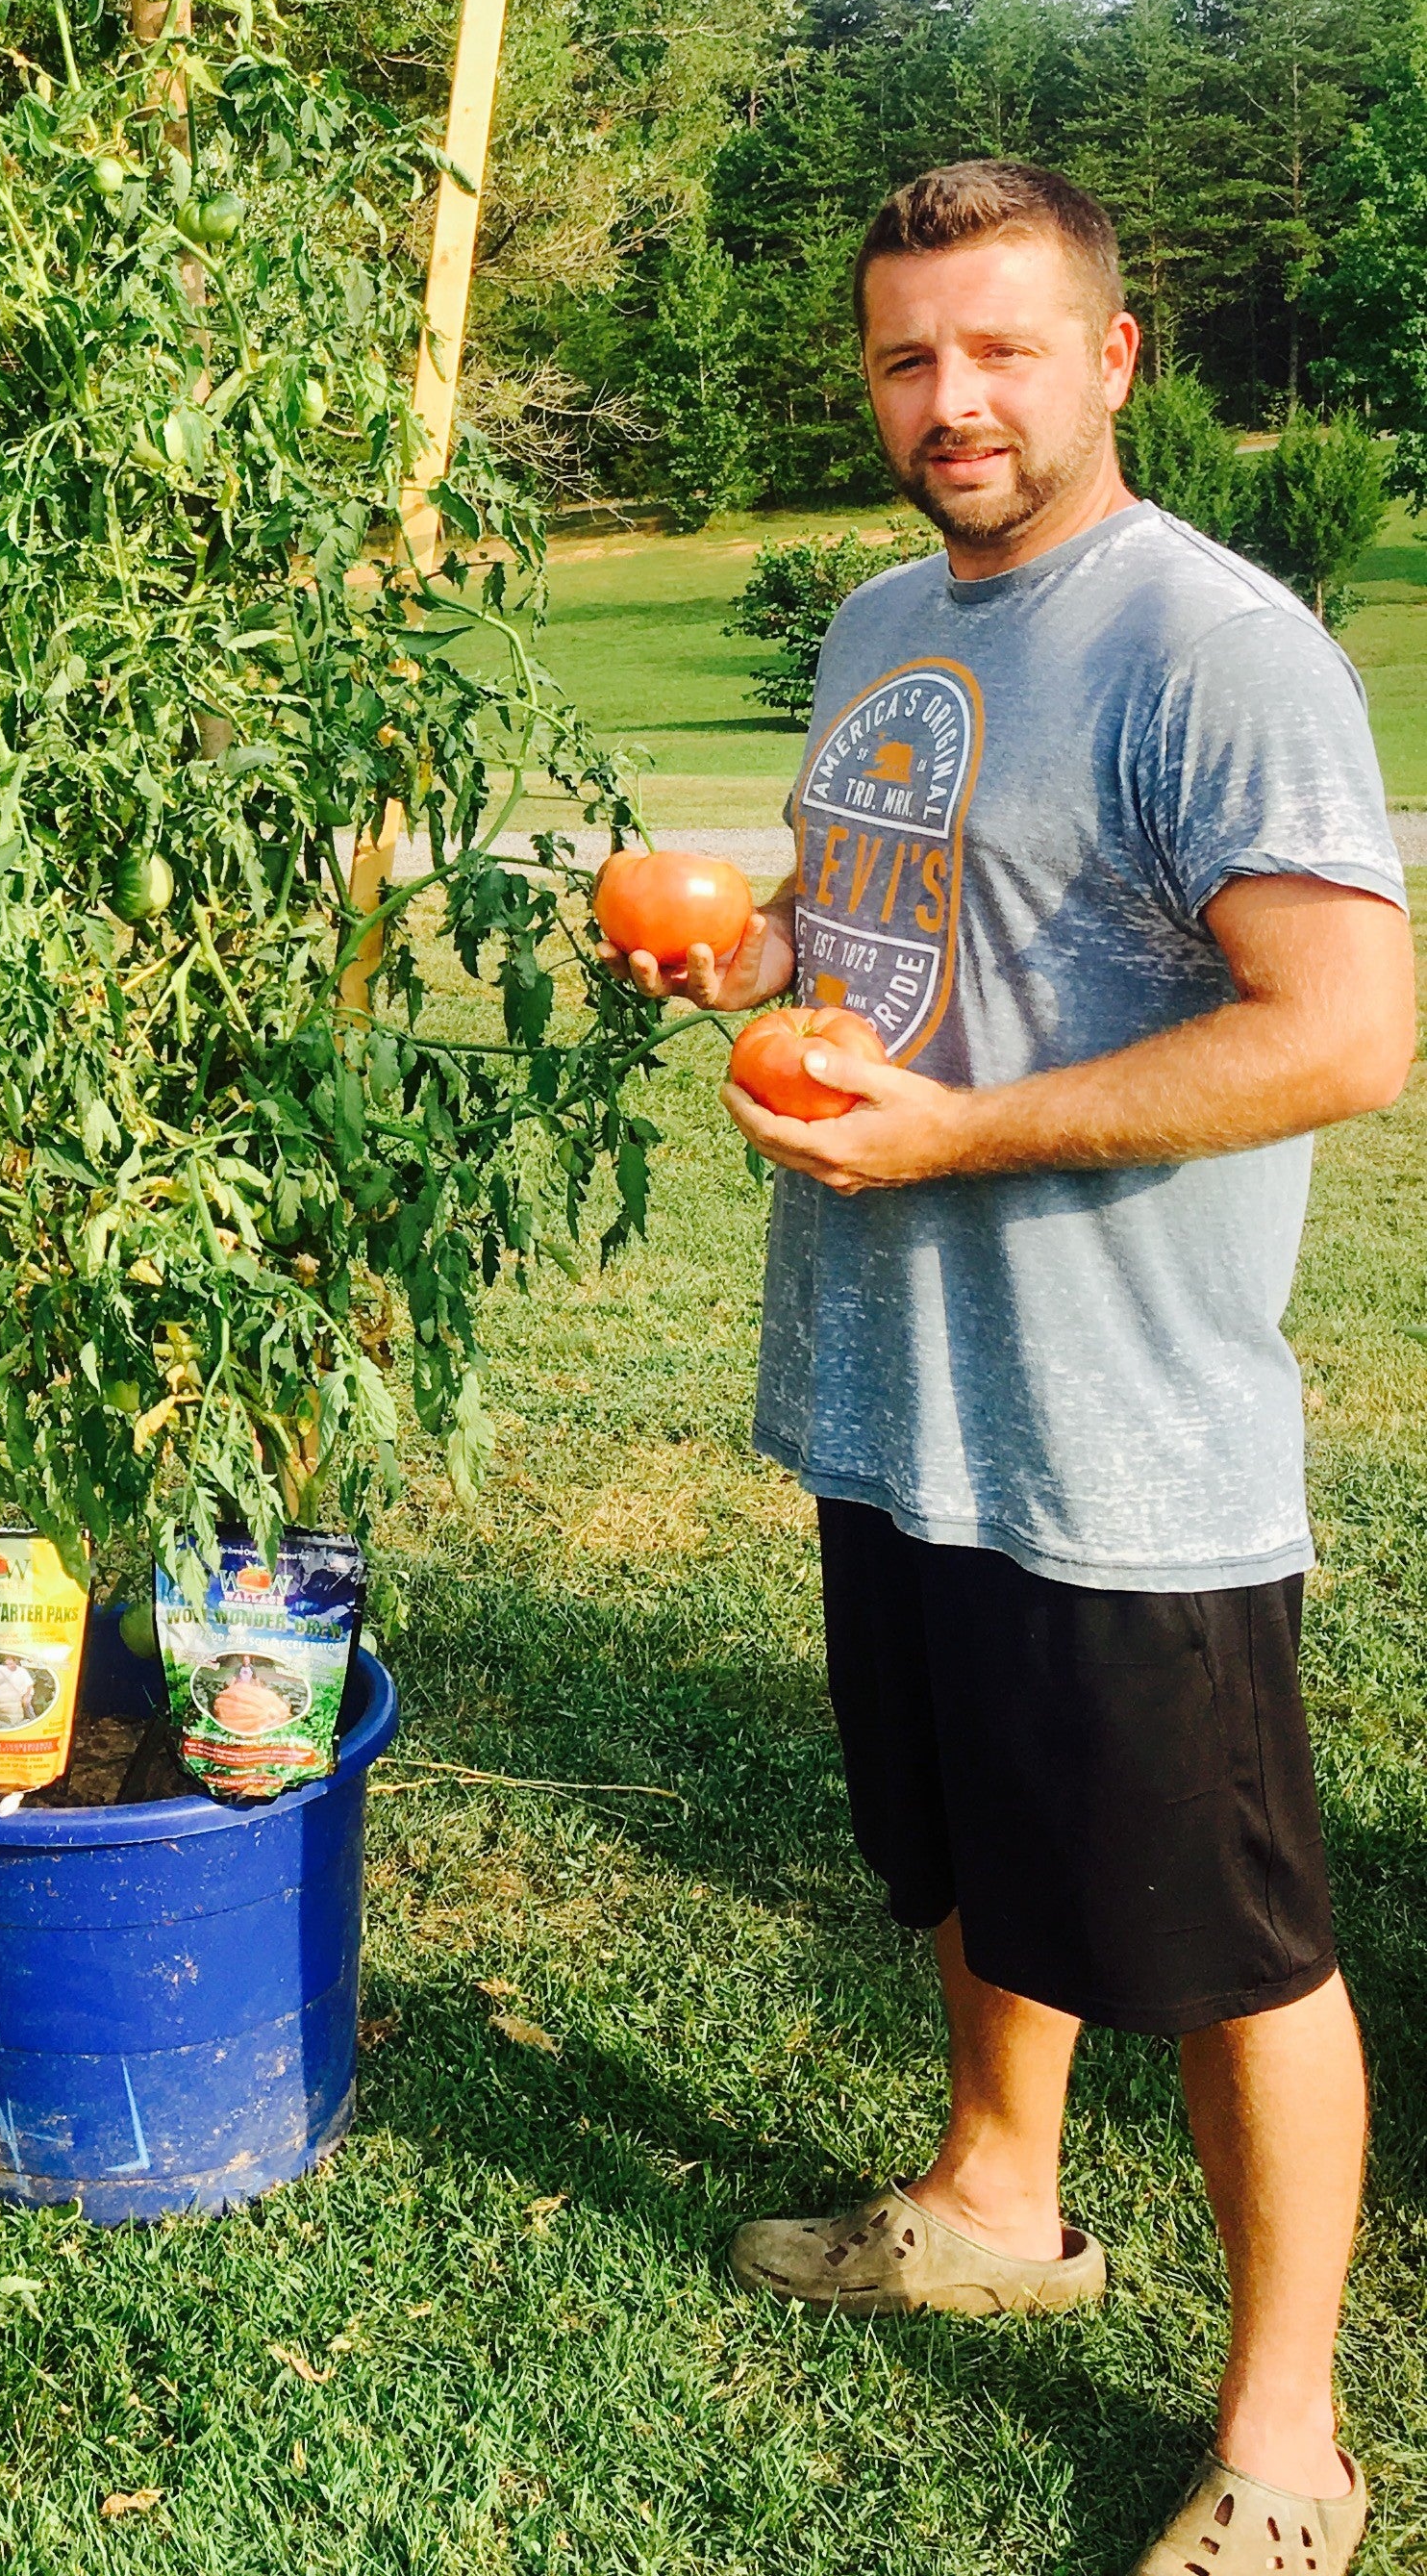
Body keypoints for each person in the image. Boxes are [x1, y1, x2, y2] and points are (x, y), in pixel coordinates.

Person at [604, 163, 1414, 2576]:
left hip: (1118, 1427)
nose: (947, 400)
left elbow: (1347, 1034)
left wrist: (961, 1131)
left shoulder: (1208, 647)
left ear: (1114, 357)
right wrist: (741, 962)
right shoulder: (884, 618)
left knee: (1235, 1947)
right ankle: (995, 2197)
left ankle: (1288, 2449)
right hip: (894, 1387)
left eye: (999, 349)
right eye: (902, 359)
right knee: (960, 1855)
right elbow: (895, 931)